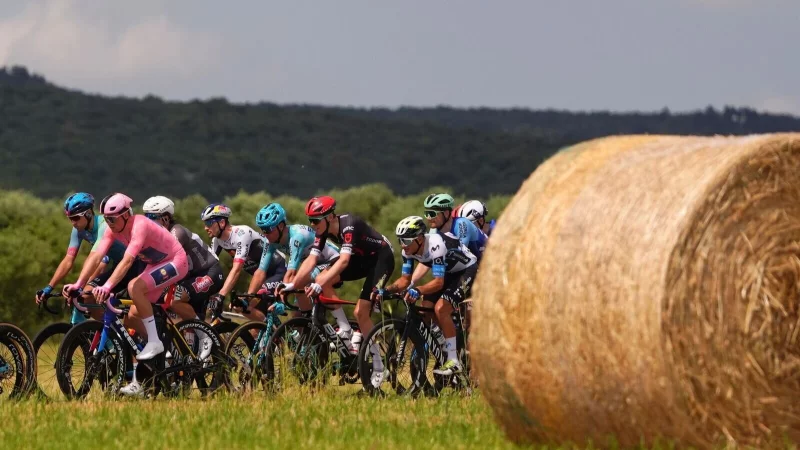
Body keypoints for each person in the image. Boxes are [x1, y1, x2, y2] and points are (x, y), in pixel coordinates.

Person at [280, 196, 394, 386]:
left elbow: (344, 261)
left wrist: (320, 284)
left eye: (315, 220)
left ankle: (379, 366)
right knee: (321, 278)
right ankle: (345, 329)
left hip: (381, 259)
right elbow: (311, 261)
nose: (312, 224)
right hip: (361, 259)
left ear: (330, 217)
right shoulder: (322, 231)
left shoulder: (349, 225)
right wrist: (293, 285)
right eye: (310, 220)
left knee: (361, 312)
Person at [63, 193, 189, 362]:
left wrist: (107, 286)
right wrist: (79, 284)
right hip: (155, 264)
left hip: (176, 261)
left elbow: (128, 261)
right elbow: (96, 256)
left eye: (112, 219)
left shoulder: (139, 225)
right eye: (106, 219)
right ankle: (163, 351)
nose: (109, 223)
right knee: (132, 316)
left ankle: (155, 342)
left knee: (134, 287)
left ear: (125, 215)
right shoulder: (112, 230)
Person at [382, 216, 478, 378]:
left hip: (466, 270)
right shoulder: (408, 251)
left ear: (420, 238)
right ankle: (444, 341)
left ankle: (453, 360)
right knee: (425, 309)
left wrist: (418, 290)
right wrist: (386, 291)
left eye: (406, 240)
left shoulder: (436, 245)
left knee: (441, 308)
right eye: (400, 240)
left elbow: (439, 283)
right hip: (449, 272)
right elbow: (405, 280)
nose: (403, 245)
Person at [35, 193, 127, 317]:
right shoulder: (78, 231)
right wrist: (49, 287)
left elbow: (97, 259)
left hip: (133, 264)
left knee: (87, 293)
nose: (73, 223)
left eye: (76, 218)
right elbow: (68, 259)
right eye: (70, 219)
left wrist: (80, 285)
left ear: (88, 214)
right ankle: (109, 329)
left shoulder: (103, 225)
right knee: (85, 297)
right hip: (117, 265)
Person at [248, 202, 339, 317]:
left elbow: (291, 272)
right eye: (262, 230)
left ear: (281, 226)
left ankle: (338, 323)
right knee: (297, 315)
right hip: (313, 266)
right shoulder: (269, 241)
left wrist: (281, 301)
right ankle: (310, 322)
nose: (265, 234)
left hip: (333, 261)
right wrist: (248, 298)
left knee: (298, 286)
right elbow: (260, 272)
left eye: (268, 229)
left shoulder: (297, 236)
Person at [200, 203, 286, 321]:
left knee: (246, 303)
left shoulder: (242, 233)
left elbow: (236, 269)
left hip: (278, 271)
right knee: (239, 306)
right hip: (260, 278)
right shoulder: (217, 241)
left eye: (209, 223)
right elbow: (207, 268)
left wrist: (221, 295)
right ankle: (268, 328)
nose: (205, 227)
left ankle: (271, 328)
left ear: (222, 223)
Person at [423, 193, 487, 260]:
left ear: (446, 213)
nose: (428, 218)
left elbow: (459, 254)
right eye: (426, 214)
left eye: (432, 214)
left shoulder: (462, 224)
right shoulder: (433, 231)